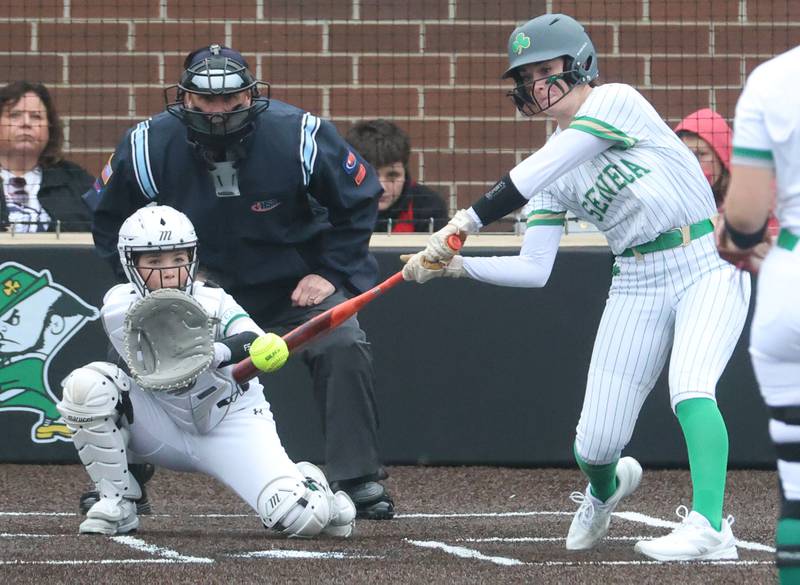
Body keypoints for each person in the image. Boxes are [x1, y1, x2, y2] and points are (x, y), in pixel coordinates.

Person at [402, 13, 749, 561]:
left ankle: (711, 526)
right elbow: (534, 268)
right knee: (596, 444)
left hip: (706, 260)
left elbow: (546, 165)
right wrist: (459, 267)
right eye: (526, 75)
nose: (535, 84)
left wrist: (465, 222)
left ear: (579, 63)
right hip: (635, 279)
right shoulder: (547, 174)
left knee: (691, 387)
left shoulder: (616, 101)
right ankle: (605, 489)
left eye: (546, 68)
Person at [82, 44, 394, 519]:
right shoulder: (146, 144)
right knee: (127, 353)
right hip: (191, 296)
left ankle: (357, 477)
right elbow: (107, 221)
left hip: (290, 288)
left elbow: (360, 197)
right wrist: (157, 289)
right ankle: (122, 484)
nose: (220, 112)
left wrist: (330, 272)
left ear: (252, 95)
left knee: (343, 341)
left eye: (232, 100)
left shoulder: (301, 135)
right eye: (206, 101)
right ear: (184, 99)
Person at [57, 205, 357, 537]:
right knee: (87, 386)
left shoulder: (215, 300)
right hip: (161, 420)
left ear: (193, 256)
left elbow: (253, 338)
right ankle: (118, 502)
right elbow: (167, 347)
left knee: (302, 519)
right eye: (154, 262)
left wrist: (217, 352)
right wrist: (201, 353)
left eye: (177, 258)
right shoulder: (117, 307)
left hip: (229, 420)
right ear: (131, 263)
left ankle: (312, 485)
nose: (168, 272)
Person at [717, 45, 800, 582]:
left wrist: (738, 241)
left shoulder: (773, 80)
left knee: (796, 485)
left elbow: (745, 220)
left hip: (790, 287)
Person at [0, 81, 93, 232]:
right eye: (15, 115)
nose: (26, 123)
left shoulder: (75, 181)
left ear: (49, 127)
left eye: (36, 117)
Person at [345, 119, 448, 233]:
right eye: (371, 176)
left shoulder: (428, 207)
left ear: (404, 171)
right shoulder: (329, 204)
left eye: (392, 176)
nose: (382, 187)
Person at [674, 109, 732, 209]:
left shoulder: (746, 201)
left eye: (700, 154)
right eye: (684, 155)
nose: (692, 164)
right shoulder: (672, 203)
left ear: (721, 157)